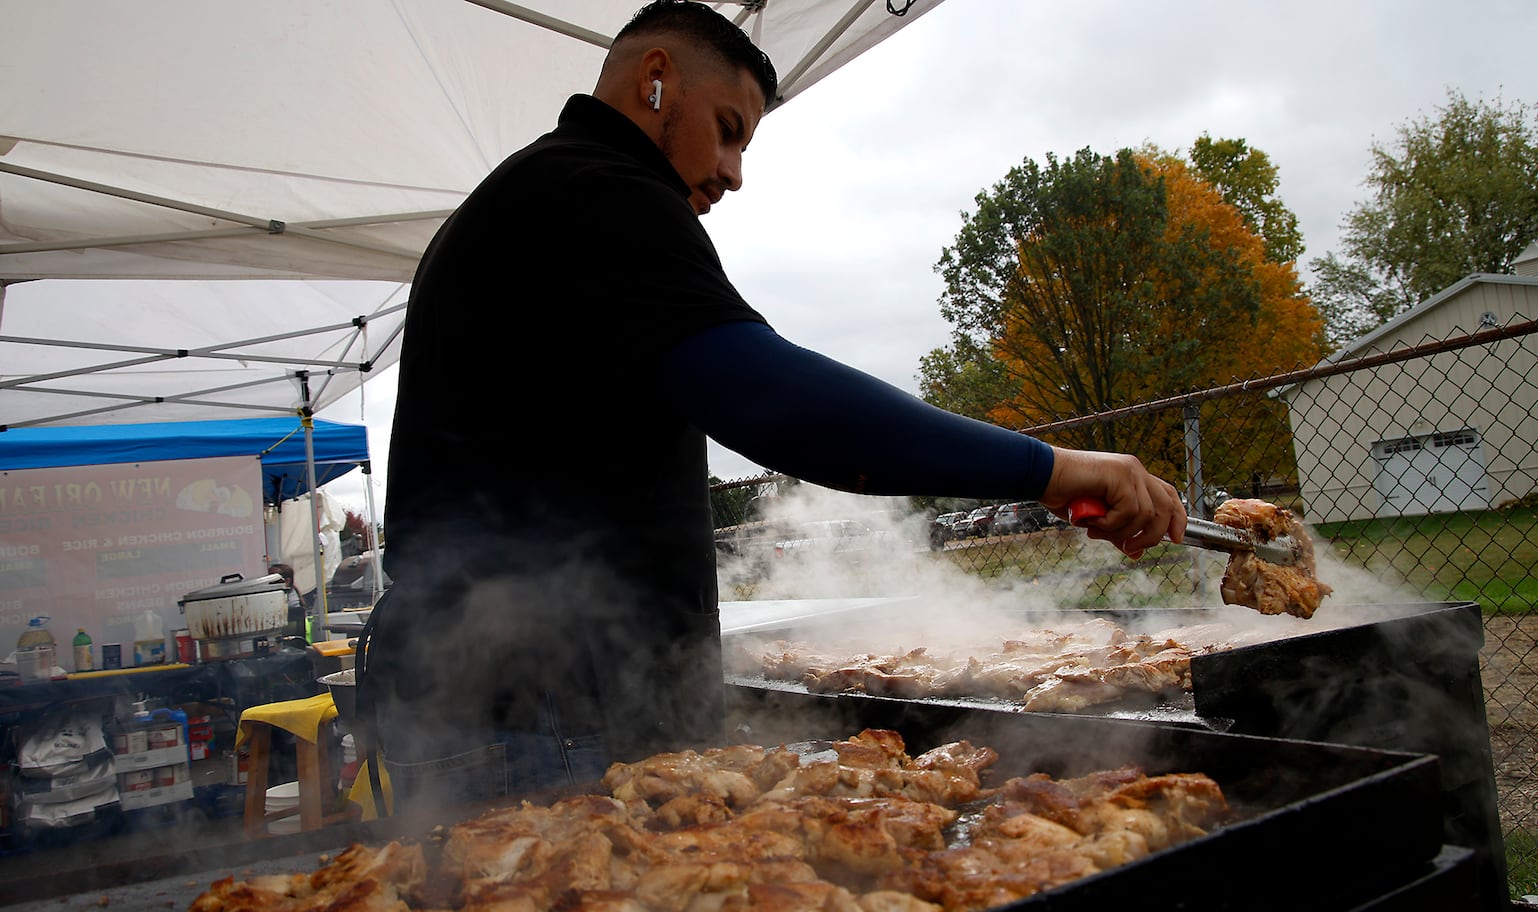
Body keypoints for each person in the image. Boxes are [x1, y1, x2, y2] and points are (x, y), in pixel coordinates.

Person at [361, 0, 1186, 819]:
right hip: (538, 703)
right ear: (656, 81)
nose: (733, 172)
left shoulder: (529, 196)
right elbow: (773, 398)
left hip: (503, 690)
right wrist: (1051, 468)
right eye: (727, 128)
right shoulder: (595, 192)